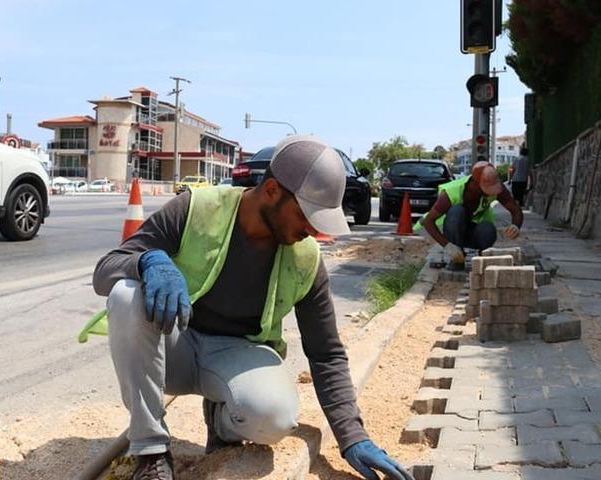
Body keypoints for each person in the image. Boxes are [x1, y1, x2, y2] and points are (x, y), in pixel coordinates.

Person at [84, 136, 414, 480]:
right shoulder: (196, 208)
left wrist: (353, 437)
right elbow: (106, 269)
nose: (312, 229)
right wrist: (148, 261)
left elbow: (326, 353)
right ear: (271, 191)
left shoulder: (305, 258)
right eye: (306, 214)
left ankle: (222, 424)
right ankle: (151, 453)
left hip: (235, 355)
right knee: (126, 295)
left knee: (275, 418)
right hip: (174, 346)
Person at [418, 161, 523, 267]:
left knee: (488, 229)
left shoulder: (495, 186)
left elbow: (515, 209)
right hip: (454, 231)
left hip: (474, 232)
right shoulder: (451, 193)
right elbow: (428, 222)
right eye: (485, 190)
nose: (488, 193)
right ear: (474, 183)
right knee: (456, 212)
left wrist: (516, 225)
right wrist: (448, 246)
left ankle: (482, 260)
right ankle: (457, 259)